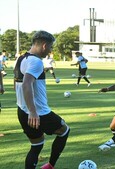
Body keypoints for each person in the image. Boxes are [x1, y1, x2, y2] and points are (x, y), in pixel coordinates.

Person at [14, 30, 70, 169]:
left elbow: (17, 83)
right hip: (39, 113)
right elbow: (27, 84)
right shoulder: (36, 61)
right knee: (64, 131)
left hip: (22, 110)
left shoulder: (21, 58)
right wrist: (33, 112)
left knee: (36, 145)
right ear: (44, 45)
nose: (50, 51)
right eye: (50, 47)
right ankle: (50, 165)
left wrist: (26, 108)